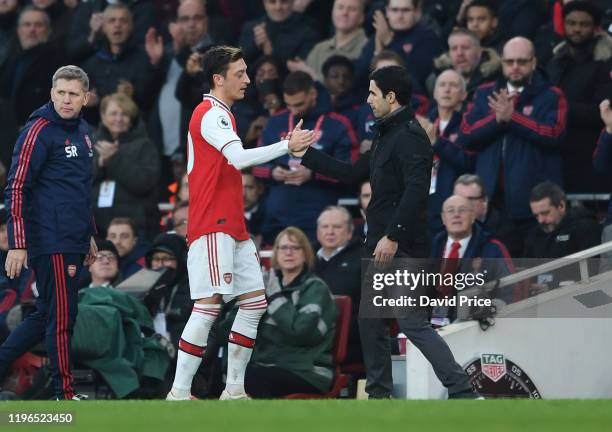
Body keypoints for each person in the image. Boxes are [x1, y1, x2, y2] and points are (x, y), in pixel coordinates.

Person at [291, 65, 479, 399]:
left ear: (391, 97)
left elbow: (417, 191)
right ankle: (379, 398)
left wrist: (393, 235)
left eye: (373, 93)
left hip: (400, 246)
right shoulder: (385, 133)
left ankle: (464, 391)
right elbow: (351, 173)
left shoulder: (409, 136)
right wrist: (304, 154)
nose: (367, 100)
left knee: (411, 322)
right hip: (379, 245)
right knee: (371, 324)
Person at [165, 45, 320, 401]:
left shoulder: (222, 114)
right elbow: (236, 158)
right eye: (240, 73)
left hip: (231, 224)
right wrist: (287, 145)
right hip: (212, 223)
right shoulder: (211, 113)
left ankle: (234, 390)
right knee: (208, 306)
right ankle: (178, 393)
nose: (248, 80)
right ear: (218, 79)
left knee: (253, 303)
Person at [0, 65, 97, 400]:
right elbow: (16, 187)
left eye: (73, 94)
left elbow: (79, 188)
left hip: (72, 236)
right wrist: (18, 243)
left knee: (46, 314)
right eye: (60, 93)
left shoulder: (84, 130)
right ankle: (65, 394)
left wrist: (89, 233)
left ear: (86, 98)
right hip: (50, 237)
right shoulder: (38, 130)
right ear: (51, 93)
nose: (66, 100)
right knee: (61, 316)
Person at [457, 37, 568, 257]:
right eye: (509, 62)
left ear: (534, 62)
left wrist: (513, 118)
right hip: (491, 205)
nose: (515, 67)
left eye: (522, 61)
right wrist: (497, 120)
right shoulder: (482, 93)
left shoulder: (551, 95)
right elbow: (466, 135)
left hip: (533, 205)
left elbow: (555, 134)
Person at [254, 71, 356, 244]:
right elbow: (256, 165)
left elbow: (351, 169)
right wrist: (273, 172)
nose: (293, 110)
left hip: (318, 216)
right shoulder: (275, 122)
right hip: (277, 216)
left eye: (299, 104)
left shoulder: (337, 124)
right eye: (288, 105)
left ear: (313, 94)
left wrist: (314, 174)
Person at [245, 227, 338, 398]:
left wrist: (275, 298)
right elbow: (231, 332)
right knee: (235, 374)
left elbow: (299, 333)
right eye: (283, 247)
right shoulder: (267, 286)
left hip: (308, 371)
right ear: (276, 253)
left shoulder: (316, 289)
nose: (289, 252)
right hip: (270, 365)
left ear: (305, 253)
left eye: (295, 248)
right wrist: (248, 296)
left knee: (253, 377)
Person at [546, 0, 612, 193]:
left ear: (595, 27)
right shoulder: (555, 60)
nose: (577, 29)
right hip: (555, 154)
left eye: (584, 24)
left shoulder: (606, 63)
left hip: (590, 154)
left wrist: (560, 109)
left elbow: (602, 111)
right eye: (572, 23)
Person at [431, 195, 514, 326]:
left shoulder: (492, 249)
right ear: (443, 218)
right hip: (430, 326)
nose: (456, 215)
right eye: (451, 210)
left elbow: (510, 291)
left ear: (473, 217)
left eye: (462, 210)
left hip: (472, 327)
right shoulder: (430, 248)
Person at [92, 92, 161, 237]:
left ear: (131, 119)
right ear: (103, 117)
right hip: (97, 228)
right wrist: (100, 163)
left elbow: (144, 182)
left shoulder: (145, 145)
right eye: (113, 113)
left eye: (124, 114)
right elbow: (80, 180)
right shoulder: (91, 143)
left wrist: (113, 160)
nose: (118, 119)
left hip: (136, 229)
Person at [417, 69, 473, 237]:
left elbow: (468, 162)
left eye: (453, 85)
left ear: (464, 95)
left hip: (453, 206)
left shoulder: (469, 124)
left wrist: (437, 142)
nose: (447, 90)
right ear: (434, 93)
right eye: (442, 85)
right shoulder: (422, 123)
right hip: (422, 207)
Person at [355, 0, 443, 90]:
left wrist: (389, 42)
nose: (400, 16)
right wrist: (377, 52)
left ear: (416, 12)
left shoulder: (428, 37)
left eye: (406, 10)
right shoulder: (379, 35)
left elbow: (416, 76)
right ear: (387, 12)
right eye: (394, 10)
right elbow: (359, 76)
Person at [314, 206, 362, 365]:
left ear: (349, 232)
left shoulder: (364, 258)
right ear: (317, 232)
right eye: (325, 227)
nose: (330, 232)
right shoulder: (306, 258)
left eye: (337, 227)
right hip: (308, 336)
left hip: (350, 340)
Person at [287, 0, 368, 82]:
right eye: (340, 7)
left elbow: (349, 86)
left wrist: (310, 74)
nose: (344, 13)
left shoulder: (367, 48)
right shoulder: (319, 49)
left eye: (352, 9)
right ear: (332, 12)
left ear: (362, 17)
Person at [238, 0, 319, 66]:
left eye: (284, 2)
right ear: (264, 3)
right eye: (272, 2)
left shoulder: (308, 32)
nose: (278, 7)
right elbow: (238, 62)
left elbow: (301, 69)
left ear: (292, 2)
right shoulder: (251, 28)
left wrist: (270, 52)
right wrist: (255, 44)